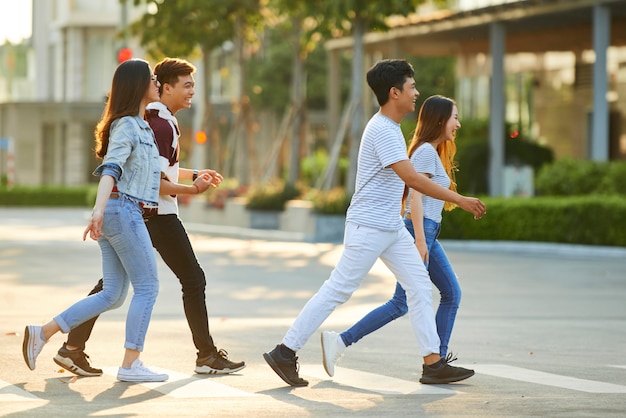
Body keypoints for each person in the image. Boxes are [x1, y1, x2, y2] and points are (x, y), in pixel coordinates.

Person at [263, 59, 486, 387]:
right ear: (394, 93)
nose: (416, 94)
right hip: (368, 226)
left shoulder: (392, 129)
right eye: (411, 88)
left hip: (391, 228)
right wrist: (461, 200)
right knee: (338, 290)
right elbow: (411, 178)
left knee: (420, 287)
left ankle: (433, 362)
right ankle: (285, 351)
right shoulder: (382, 129)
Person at [50, 57, 246, 378]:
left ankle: (71, 346)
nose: (192, 92)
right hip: (156, 214)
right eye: (186, 86)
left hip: (143, 212)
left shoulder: (155, 120)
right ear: (165, 88)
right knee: (190, 280)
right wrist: (194, 189)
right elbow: (153, 181)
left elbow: (154, 168)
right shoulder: (158, 123)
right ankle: (204, 356)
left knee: (112, 287)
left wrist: (196, 173)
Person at [23, 59, 169, 382]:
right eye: (153, 78)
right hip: (123, 211)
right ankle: (131, 364)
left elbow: (152, 176)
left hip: (125, 212)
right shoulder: (127, 125)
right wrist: (98, 210)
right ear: (138, 85)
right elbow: (111, 169)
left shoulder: (142, 125)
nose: (158, 82)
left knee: (113, 295)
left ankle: (42, 333)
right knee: (148, 287)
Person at [321, 95, 466, 378]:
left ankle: (436, 362)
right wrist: (421, 241)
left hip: (426, 232)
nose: (458, 124)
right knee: (405, 302)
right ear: (440, 120)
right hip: (418, 232)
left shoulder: (433, 151)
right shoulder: (425, 151)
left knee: (449, 293)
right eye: (454, 117)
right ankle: (341, 341)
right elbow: (415, 195)